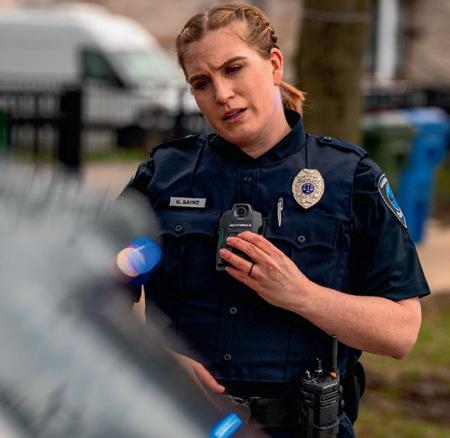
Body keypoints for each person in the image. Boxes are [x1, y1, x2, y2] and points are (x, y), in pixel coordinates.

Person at [122, 3, 430, 436]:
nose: (222, 94)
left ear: (274, 65)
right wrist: (157, 357)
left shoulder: (349, 178)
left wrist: (301, 294)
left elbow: (400, 332)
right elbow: (85, 292)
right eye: (202, 83)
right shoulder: (163, 175)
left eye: (234, 69)